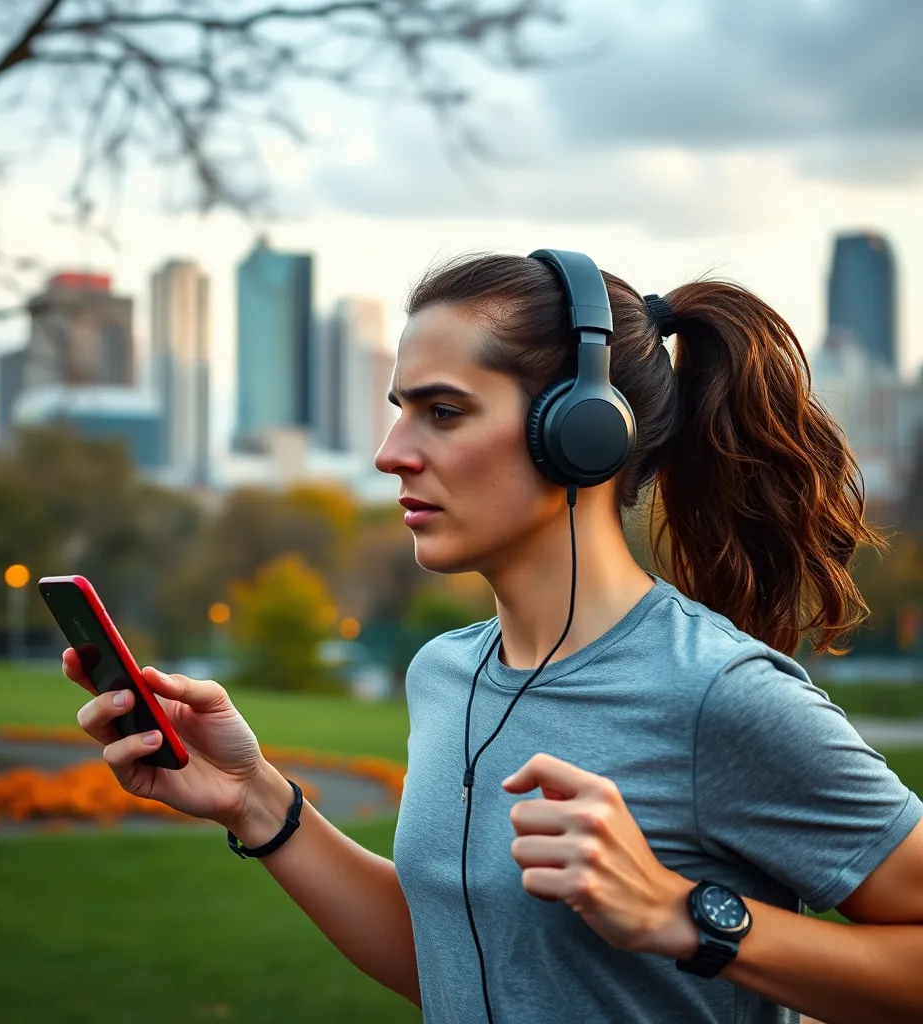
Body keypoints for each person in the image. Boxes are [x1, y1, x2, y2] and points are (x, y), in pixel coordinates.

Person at [65, 250, 923, 1024]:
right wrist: (253, 799)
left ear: (582, 433)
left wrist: (685, 917)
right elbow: (458, 964)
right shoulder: (444, 672)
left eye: (443, 411)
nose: (390, 452)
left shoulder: (719, 694)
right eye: (401, 410)